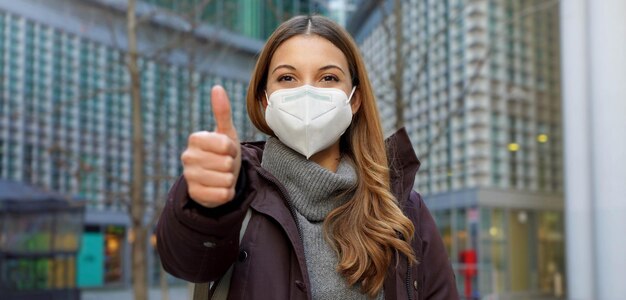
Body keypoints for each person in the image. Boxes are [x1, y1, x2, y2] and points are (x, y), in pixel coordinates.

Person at [156, 15, 458, 300]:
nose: (307, 93)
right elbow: (187, 260)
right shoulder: (235, 192)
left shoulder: (403, 209)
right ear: (265, 99)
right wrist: (209, 206)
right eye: (287, 78)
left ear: (354, 99)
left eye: (328, 78)